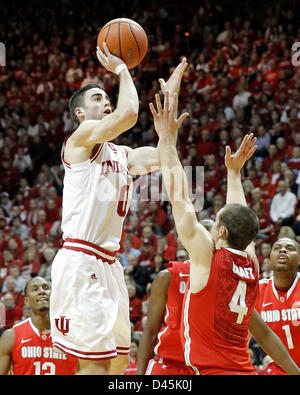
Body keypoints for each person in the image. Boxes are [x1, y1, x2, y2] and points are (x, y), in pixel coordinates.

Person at [50, 43, 188, 375]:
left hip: (110, 265)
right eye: (97, 99)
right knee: (94, 364)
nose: (106, 102)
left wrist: (170, 103)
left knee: (116, 363)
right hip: (82, 259)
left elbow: (162, 155)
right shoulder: (79, 141)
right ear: (81, 114)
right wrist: (123, 70)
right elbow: (127, 115)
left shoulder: (122, 154)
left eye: (106, 98)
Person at [0, 277, 78, 375]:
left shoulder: (74, 334)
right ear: (26, 301)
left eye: (45, 288)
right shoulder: (10, 337)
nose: (41, 291)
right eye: (35, 289)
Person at [255, 237, 300, 375]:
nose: (282, 250)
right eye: (277, 248)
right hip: (278, 368)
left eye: (290, 248)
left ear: (299, 259)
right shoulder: (257, 292)